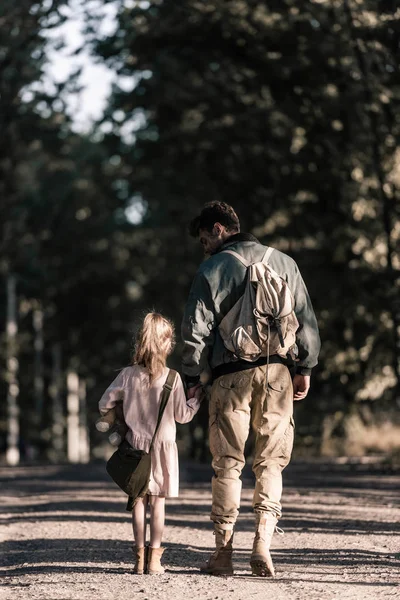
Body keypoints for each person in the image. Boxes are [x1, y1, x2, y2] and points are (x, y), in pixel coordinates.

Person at [182, 202, 321, 577]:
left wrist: (193, 377)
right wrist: (304, 367)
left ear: (219, 229)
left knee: (227, 464)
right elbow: (306, 320)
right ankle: (262, 542)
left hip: (230, 378)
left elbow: (195, 330)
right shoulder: (285, 263)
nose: (203, 247)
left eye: (204, 239)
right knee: (270, 462)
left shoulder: (212, 268)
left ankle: (223, 553)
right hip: (277, 374)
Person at [99, 312, 202, 575]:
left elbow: (104, 404)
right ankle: (155, 561)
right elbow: (183, 415)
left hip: (135, 448)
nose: (171, 345)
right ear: (163, 344)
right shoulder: (173, 378)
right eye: (169, 341)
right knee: (158, 503)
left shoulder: (127, 375)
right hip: (163, 448)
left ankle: (138, 560)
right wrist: (196, 400)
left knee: (137, 502)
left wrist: (121, 412)